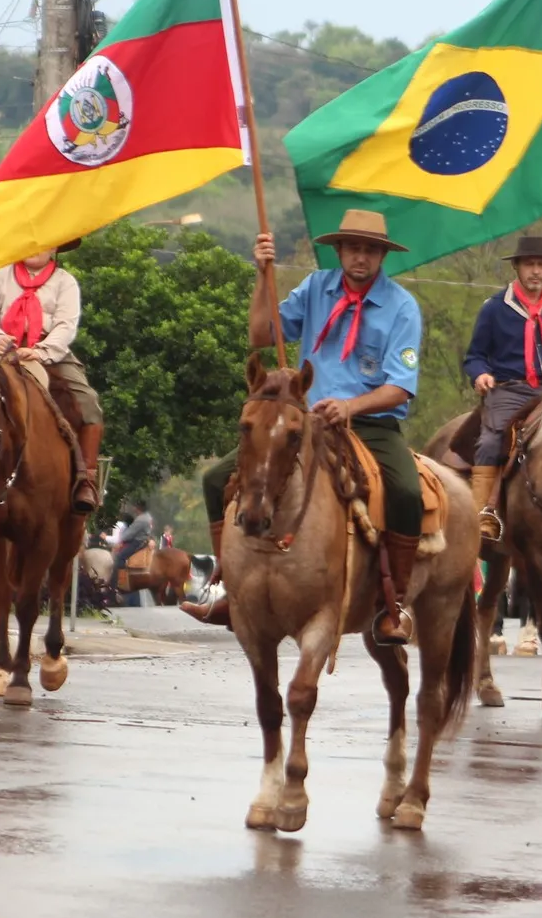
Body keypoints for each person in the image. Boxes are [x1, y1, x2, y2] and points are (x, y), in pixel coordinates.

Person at [181, 209, 425, 645]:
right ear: (339, 250)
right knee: (217, 478)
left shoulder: (402, 307)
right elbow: (261, 333)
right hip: (303, 424)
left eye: (370, 249)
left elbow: (400, 387)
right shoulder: (316, 288)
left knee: (407, 491)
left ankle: (394, 602)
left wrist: (351, 405)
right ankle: (230, 589)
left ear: (382, 255)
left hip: (370, 424)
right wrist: (261, 274)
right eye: (353, 248)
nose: (361, 257)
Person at [461, 234, 542, 541]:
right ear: (516, 266)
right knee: (490, 442)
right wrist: (480, 375)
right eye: (530, 264)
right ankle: (483, 512)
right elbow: (475, 356)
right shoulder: (494, 308)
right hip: (509, 389)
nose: (536, 271)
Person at [0, 244, 104, 512]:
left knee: (89, 402)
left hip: (46, 349)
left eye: (44, 241)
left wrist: (40, 351)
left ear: (55, 247)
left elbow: (66, 325)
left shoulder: (65, 282)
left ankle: (85, 478)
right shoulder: (1, 274)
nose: (35, 248)